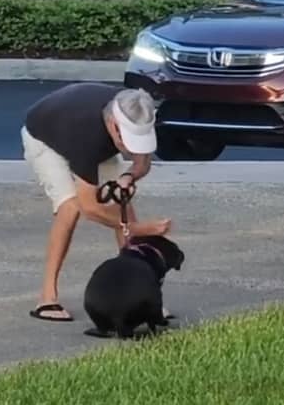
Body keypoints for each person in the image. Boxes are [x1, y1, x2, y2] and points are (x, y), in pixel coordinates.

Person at [20, 82, 173, 321]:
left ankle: (140, 292)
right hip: (44, 137)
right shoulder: (85, 135)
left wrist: (127, 176)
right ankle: (47, 297)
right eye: (127, 140)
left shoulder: (137, 113)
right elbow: (90, 208)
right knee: (69, 207)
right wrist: (141, 229)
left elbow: (142, 164)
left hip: (87, 134)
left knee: (123, 201)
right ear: (114, 124)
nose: (130, 147)